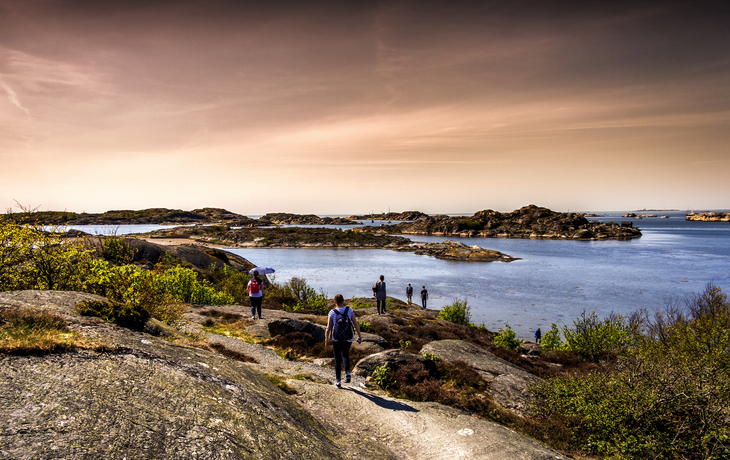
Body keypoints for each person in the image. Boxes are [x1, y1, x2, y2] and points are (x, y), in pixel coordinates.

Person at [325, 294, 362, 389]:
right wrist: (359, 336)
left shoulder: (332, 312)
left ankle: (338, 382)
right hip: (348, 338)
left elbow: (328, 328)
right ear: (343, 301)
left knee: (337, 358)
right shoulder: (349, 310)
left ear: (335, 302)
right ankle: (348, 373)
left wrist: (327, 340)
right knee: (345, 354)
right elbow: (356, 324)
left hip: (336, 338)